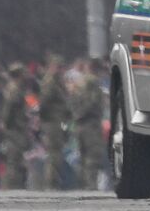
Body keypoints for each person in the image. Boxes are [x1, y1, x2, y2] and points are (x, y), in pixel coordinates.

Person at [70, 59, 105, 191]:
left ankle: (82, 184)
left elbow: (72, 101)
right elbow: (94, 102)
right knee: (92, 155)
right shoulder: (94, 82)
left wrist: (77, 115)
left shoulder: (78, 83)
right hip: (91, 123)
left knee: (82, 155)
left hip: (79, 124)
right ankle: (91, 185)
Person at [37, 56, 68, 189]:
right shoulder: (50, 82)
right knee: (54, 152)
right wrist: (44, 118)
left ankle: (54, 181)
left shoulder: (56, 82)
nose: (60, 70)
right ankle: (51, 183)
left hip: (56, 120)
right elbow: (44, 102)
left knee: (56, 152)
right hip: (52, 121)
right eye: (58, 67)